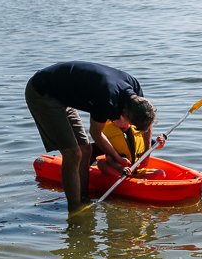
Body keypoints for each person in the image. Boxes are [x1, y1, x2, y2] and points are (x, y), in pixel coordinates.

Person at [25, 61, 158, 213]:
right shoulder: (106, 99)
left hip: (62, 95)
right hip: (42, 93)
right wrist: (117, 157)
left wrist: (147, 150)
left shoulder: (136, 91)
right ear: (125, 114)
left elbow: (147, 122)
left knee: (86, 150)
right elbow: (96, 132)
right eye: (130, 124)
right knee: (73, 153)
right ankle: (75, 208)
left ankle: (84, 197)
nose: (129, 128)